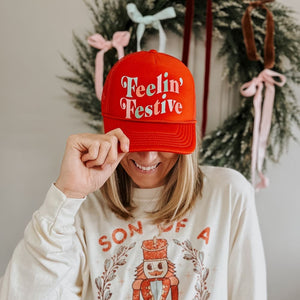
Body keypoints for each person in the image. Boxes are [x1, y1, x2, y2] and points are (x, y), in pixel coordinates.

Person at [0, 50, 267, 300]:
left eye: (164, 140)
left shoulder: (227, 194)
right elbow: (22, 293)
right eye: (135, 141)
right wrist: (67, 194)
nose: (148, 158)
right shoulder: (81, 208)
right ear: (109, 133)